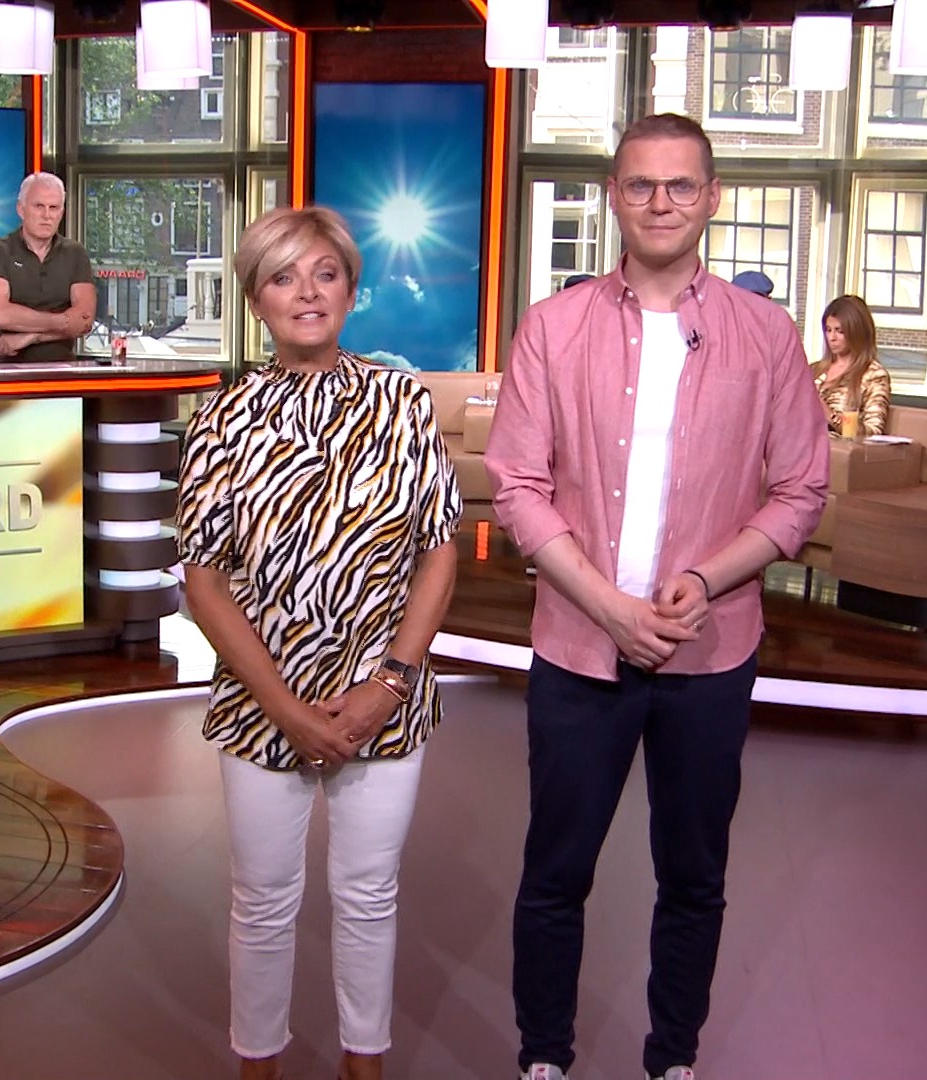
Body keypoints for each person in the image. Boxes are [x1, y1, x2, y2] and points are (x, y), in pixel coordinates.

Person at [484, 114, 828, 1080]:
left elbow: (801, 489)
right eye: (641, 185)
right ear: (614, 198)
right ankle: (544, 1057)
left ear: (711, 197)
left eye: (681, 185)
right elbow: (517, 485)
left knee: (694, 878)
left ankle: (673, 1057)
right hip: (579, 650)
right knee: (555, 874)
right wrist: (610, 607)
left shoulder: (767, 336)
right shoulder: (553, 327)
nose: (661, 202)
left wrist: (706, 579)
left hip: (710, 655)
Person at [174, 206, 462, 1080]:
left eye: (325, 274)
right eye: (283, 276)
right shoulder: (220, 421)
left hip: (386, 697)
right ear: (256, 299)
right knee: (263, 899)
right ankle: (257, 1062)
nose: (307, 293)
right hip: (261, 704)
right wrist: (286, 709)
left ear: (350, 289)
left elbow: (439, 550)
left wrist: (389, 683)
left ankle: (362, 1063)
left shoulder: (404, 403)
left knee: (369, 894)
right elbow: (203, 581)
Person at [0, 172, 97, 361]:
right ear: (21, 209)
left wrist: (29, 337)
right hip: (7, 368)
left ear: (61, 212)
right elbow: (0, 315)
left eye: (54, 207)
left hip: (62, 368)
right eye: (39, 206)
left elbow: (84, 321)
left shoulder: (75, 253)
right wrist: (62, 321)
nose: (47, 215)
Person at [812, 294, 893, 438]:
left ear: (857, 332)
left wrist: (830, 415)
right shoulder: (814, 370)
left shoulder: (873, 375)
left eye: (840, 331)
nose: (832, 338)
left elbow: (872, 433)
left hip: (833, 448)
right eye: (828, 330)